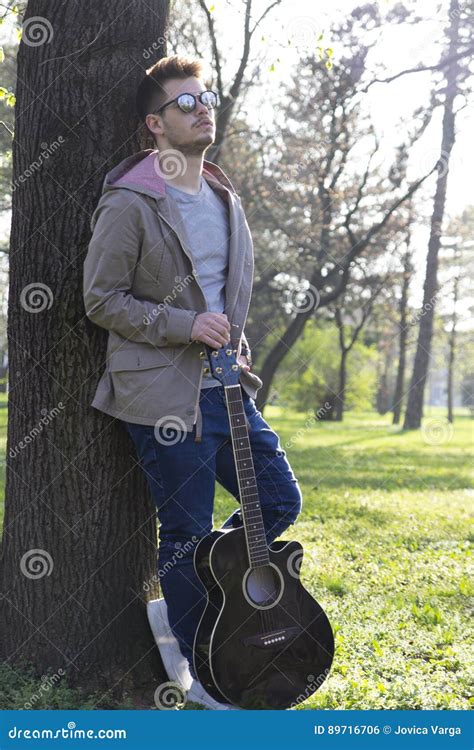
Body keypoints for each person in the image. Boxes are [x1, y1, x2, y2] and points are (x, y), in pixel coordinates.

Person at [83, 55, 302, 709]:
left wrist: (235, 348)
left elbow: (228, 301)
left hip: (227, 392)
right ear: (155, 123)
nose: (201, 107)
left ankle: (202, 592)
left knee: (278, 500)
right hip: (160, 393)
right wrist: (186, 325)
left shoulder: (224, 199)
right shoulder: (131, 201)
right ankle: (203, 673)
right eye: (185, 102)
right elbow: (101, 298)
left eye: (205, 98)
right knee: (183, 535)